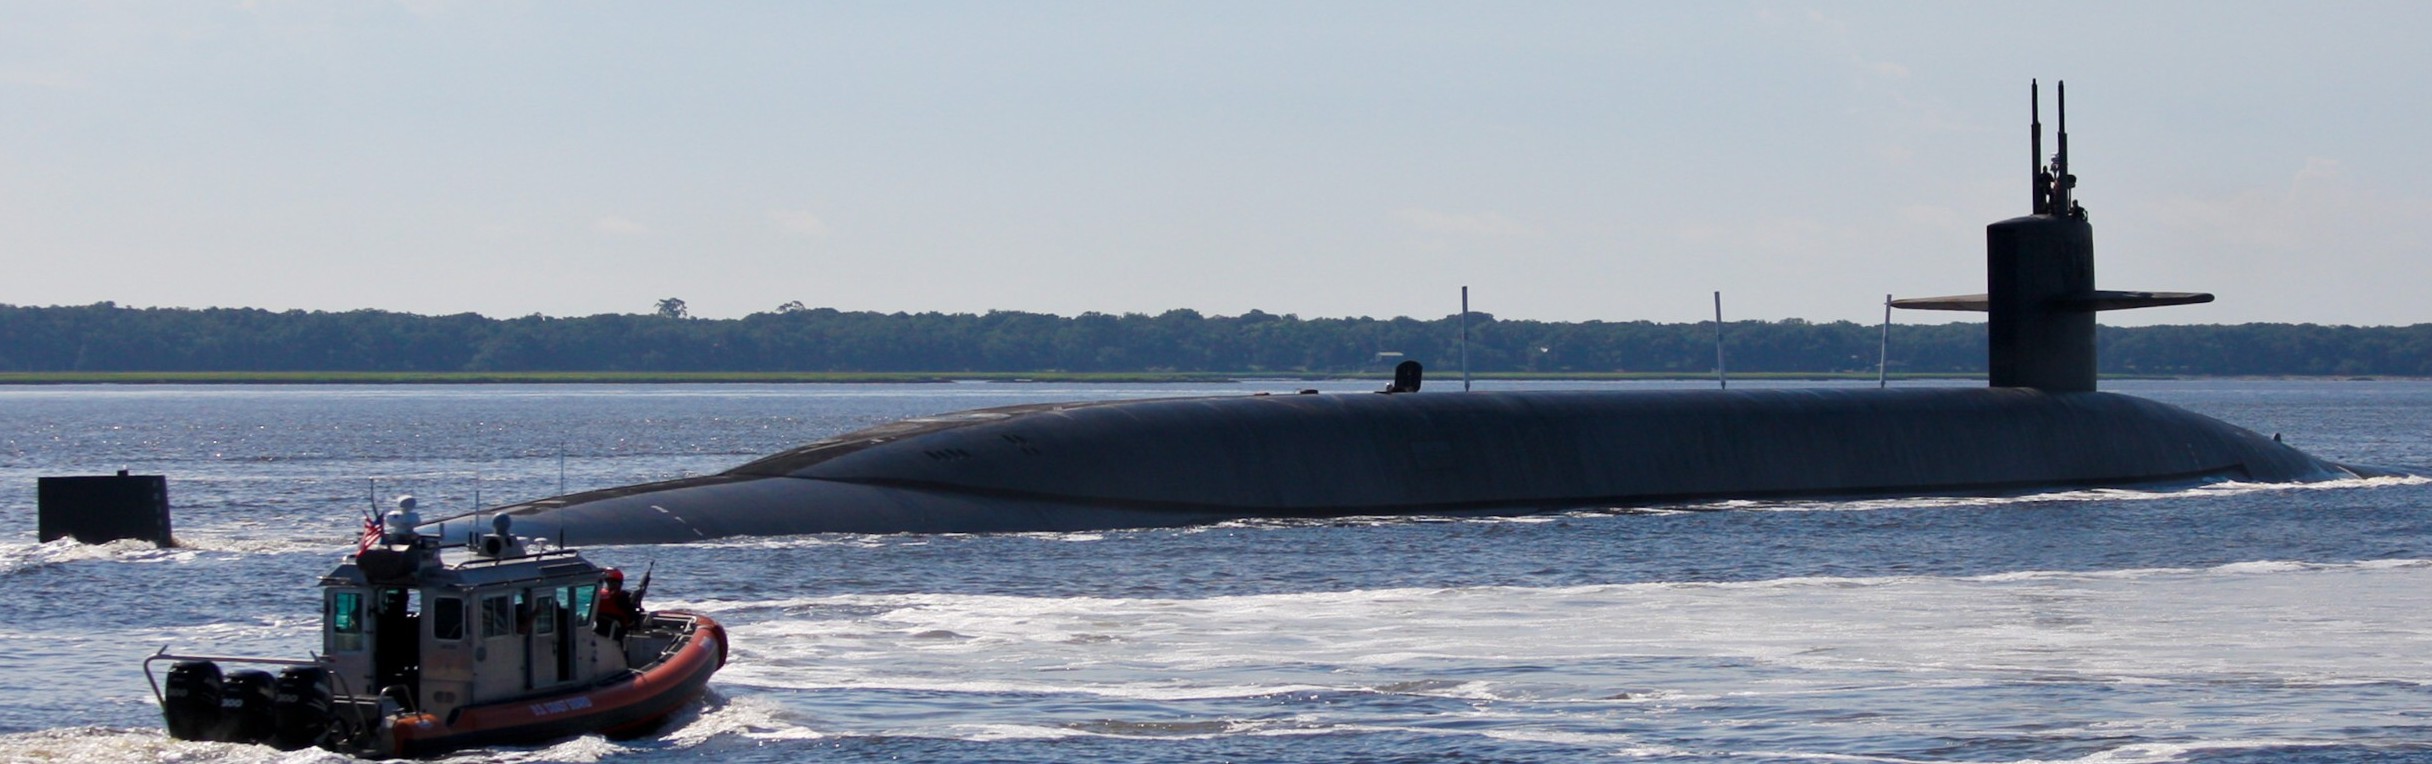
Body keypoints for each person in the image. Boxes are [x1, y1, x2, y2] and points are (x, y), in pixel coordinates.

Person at [595, 567, 644, 638]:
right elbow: (631, 619)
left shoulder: (597, 594)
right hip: (616, 633)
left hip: (596, 631)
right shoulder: (624, 596)